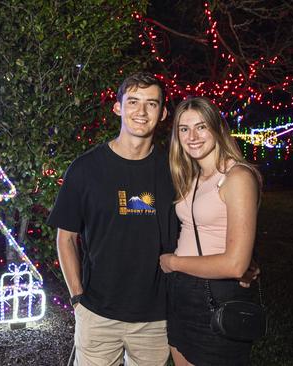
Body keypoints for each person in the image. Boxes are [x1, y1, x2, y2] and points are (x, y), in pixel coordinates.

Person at [47, 72, 177, 366]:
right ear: (118, 107)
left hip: (156, 318)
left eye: (151, 104)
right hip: (97, 314)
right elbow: (66, 238)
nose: (141, 112)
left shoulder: (175, 171)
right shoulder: (85, 169)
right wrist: (78, 299)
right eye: (133, 101)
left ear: (163, 113)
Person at [159, 96, 263, 366]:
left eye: (201, 127)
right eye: (184, 129)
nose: (192, 136)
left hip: (216, 294)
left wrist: (172, 262)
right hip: (181, 294)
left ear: (217, 129)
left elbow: (235, 264)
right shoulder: (191, 176)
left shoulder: (237, 177)